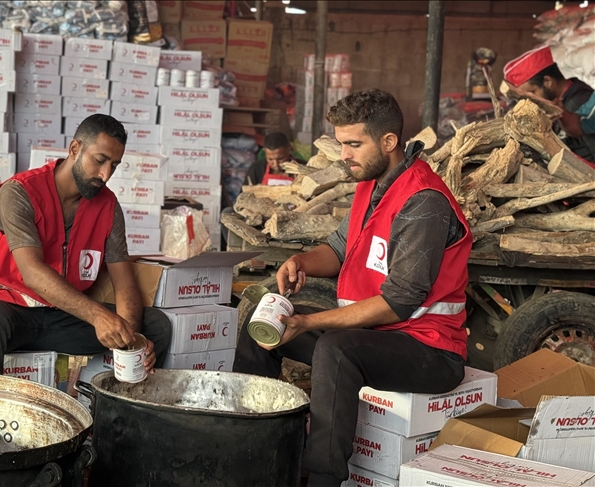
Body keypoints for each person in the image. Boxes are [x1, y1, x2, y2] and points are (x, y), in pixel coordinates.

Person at [233, 90, 471, 487]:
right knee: (263, 332)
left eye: (353, 144)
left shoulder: (423, 201)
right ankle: (252, 453)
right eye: (341, 143)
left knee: (335, 349)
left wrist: (309, 321)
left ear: (389, 142)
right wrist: (302, 262)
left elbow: (399, 301)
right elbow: (340, 249)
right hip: (374, 337)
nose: (343, 154)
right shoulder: (372, 183)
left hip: (430, 350)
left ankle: (324, 479)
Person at [0, 114, 172, 376]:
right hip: (7, 311)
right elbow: (32, 273)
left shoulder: (108, 206)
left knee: (156, 325)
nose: (105, 175)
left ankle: (123, 409)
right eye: (100, 160)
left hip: (61, 317)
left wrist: (131, 339)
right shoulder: (19, 192)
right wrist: (98, 317)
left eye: (114, 165)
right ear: (75, 149)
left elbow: (124, 284)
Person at [504, 45, 595, 163]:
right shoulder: (558, 104)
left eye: (532, 92)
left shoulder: (578, 102)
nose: (529, 100)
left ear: (547, 81)